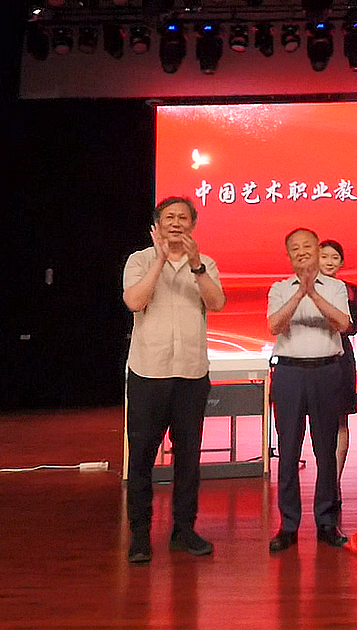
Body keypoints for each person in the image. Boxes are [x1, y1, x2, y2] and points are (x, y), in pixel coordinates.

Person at [122, 196, 226, 563]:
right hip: (149, 372)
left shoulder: (205, 263)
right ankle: (140, 534)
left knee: (188, 458)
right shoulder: (139, 260)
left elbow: (216, 303)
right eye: (169, 217)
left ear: (193, 225)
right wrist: (160, 260)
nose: (177, 223)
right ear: (157, 224)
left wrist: (196, 266)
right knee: (141, 456)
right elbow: (134, 302)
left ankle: (184, 530)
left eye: (183, 217)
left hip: (191, 373)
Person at [267, 228, 351, 552]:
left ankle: (326, 522)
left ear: (318, 250)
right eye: (295, 248)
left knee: (325, 450)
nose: (301, 252)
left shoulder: (335, 287)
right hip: (289, 373)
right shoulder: (279, 288)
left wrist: (313, 293)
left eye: (307, 246)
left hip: (327, 372)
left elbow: (342, 323)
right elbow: (274, 325)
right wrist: (298, 293)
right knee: (288, 451)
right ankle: (288, 525)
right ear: (288, 256)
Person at [318, 239, 357, 500]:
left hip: (341, 356)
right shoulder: (305, 288)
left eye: (335, 258)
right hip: (313, 356)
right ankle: (324, 479)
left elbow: (353, 327)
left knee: (341, 420)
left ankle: (334, 483)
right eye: (324, 257)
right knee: (319, 422)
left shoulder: (349, 289)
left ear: (342, 262)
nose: (329, 262)